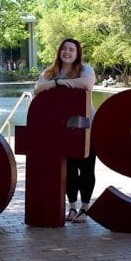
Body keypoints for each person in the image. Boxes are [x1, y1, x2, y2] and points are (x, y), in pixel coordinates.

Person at [34, 38, 96, 223]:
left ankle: (84, 209)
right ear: (59, 51)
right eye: (64, 49)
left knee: (86, 168)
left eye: (71, 50)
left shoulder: (85, 69)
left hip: (86, 126)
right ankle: (72, 207)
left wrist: (67, 83)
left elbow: (87, 83)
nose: (67, 52)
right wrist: (57, 83)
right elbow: (38, 88)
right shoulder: (50, 72)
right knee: (69, 170)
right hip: (63, 129)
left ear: (77, 54)